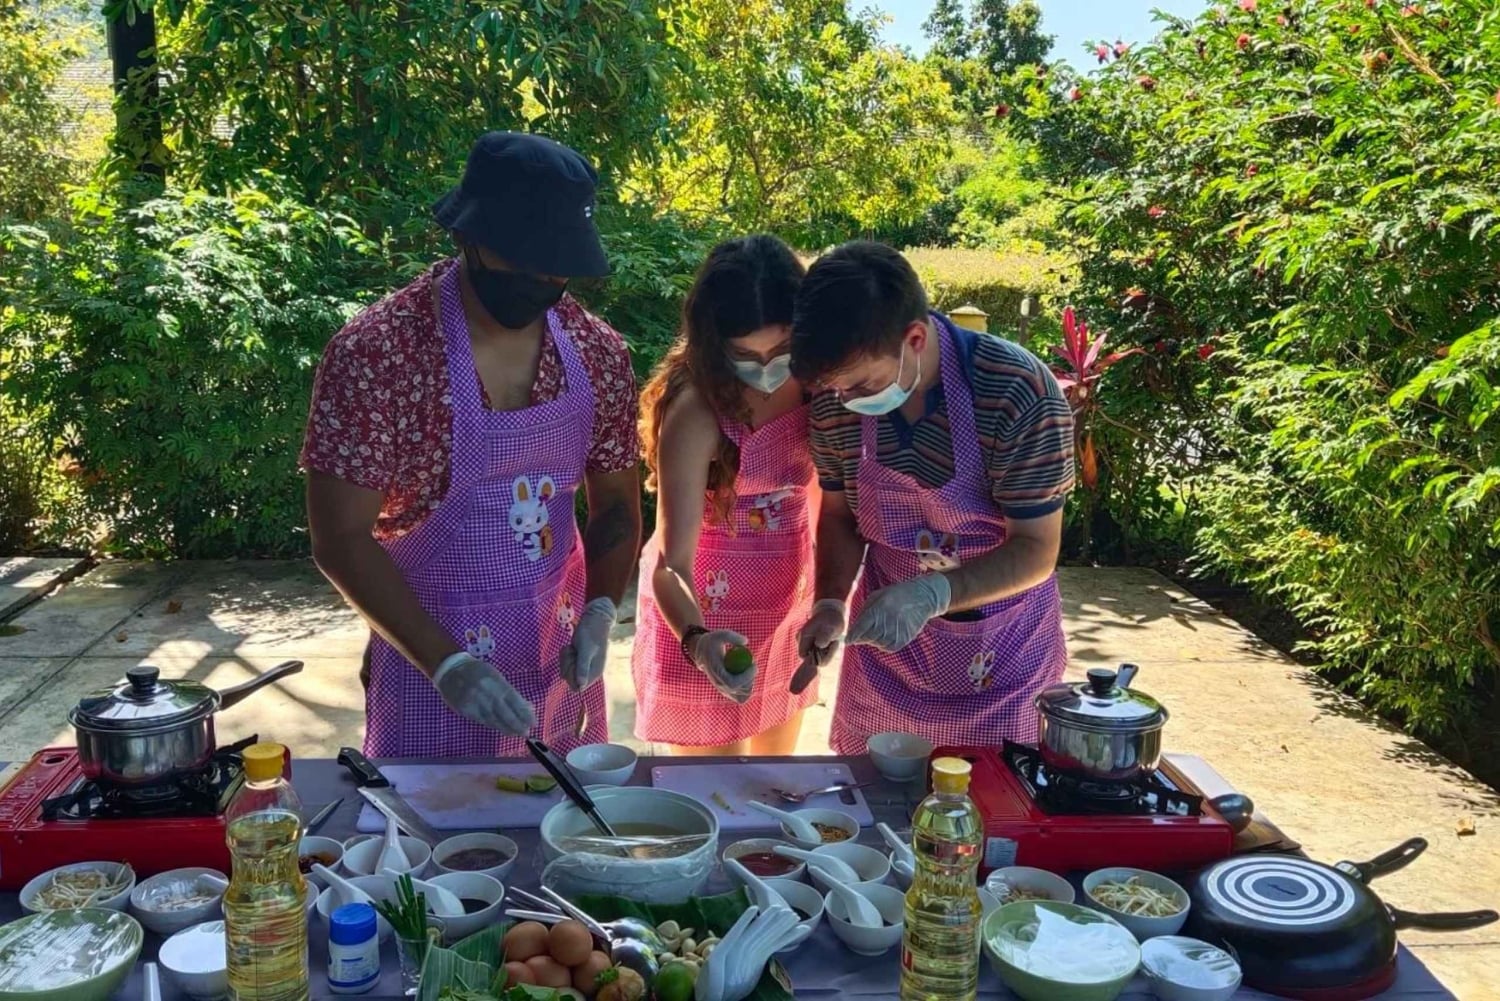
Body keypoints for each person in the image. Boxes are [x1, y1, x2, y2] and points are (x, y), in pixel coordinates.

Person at [301, 132, 642, 757]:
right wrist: (448, 665)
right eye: (525, 260)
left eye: (557, 265)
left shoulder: (597, 352)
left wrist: (600, 610)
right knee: (429, 819)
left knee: (558, 813)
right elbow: (340, 538)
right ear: (468, 237)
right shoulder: (379, 354)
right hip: (424, 654)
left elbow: (617, 505)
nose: (543, 279)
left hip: (559, 649)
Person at [788, 241, 1073, 753]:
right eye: (834, 388)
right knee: (870, 794)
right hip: (887, 658)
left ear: (914, 338)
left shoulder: (1016, 390)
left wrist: (932, 594)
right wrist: (829, 602)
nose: (844, 401)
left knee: (992, 793)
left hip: (1002, 650)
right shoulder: (836, 399)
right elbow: (840, 517)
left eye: (861, 385)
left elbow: (1035, 549)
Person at [631, 235, 819, 755]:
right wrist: (697, 640)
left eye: (781, 350)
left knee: (775, 783)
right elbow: (672, 563)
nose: (767, 368)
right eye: (745, 356)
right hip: (700, 615)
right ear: (714, 344)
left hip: (786, 613)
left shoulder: (819, 387)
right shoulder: (697, 406)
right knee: (710, 789)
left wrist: (828, 601)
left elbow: (830, 506)